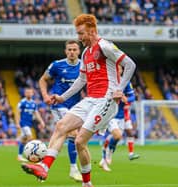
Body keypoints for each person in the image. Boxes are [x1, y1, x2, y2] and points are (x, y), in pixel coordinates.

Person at [21, 14, 136, 187]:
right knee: (61, 127)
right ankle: (44, 167)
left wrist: (119, 89)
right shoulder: (86, 53)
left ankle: (86, 183)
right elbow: (81, 81)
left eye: (81, 33)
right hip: (91, 99)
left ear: (92, 31)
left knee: (80, 140)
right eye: (78, 33)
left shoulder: (104, 46)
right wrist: (62, 97)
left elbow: (130, 65)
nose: (79, 37)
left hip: (106, 99)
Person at [38, 40, 82, 181]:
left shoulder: (84, 66)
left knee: (62, 134)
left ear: (79, 51)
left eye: (74, 49)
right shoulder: (57, 65)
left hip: (76, 106)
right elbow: (43, 80)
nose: (72, 52)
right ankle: (73, 169)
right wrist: (45, 95)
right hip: (58, 105)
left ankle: (43, 165)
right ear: (65, 51)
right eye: (69, 49)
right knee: (73, 133)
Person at [99, 66, 139, 172]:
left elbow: (132, 97)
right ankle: (106, 154)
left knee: (116, 138)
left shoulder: (125, 82)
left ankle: (107, 154)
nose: (117, 70)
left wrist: (126, 98)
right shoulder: (107, 81)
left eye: (119, 68)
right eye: (115, 68)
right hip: (110, 114)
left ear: (121, 70)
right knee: (117, 135)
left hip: (121, 116)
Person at [16, 87, 46, 161]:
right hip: (23, 123)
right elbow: (17, 113)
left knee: (23, 140)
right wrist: (17, 123)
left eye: (30, 92)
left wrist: (41, 121)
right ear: (25, 93)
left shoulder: (33, 103)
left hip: (29, 123)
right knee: (30, 138)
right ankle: (35, 156)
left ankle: (19, 156)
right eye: (27, 92)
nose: (28, 94)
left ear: (32, 93)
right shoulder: (22, 102)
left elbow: (36, 113)